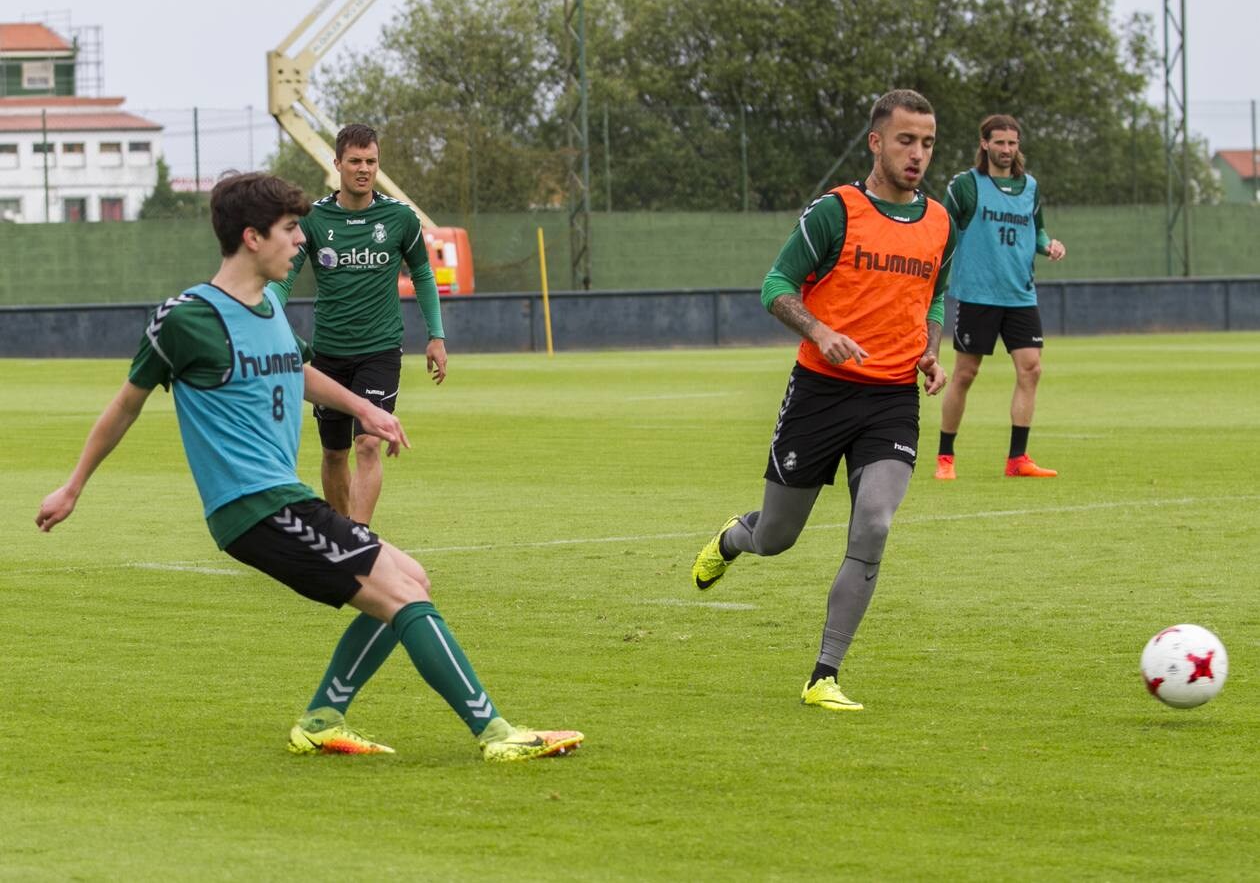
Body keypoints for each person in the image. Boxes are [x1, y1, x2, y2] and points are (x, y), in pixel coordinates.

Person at [36, 172, 582, 762]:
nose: (301, 242)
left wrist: (364, 410)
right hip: (253, 508)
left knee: (411, 578)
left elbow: (295, 370)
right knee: (401, 594)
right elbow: (126, 403)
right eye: (290, 230)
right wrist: (73, 486)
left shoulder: (269, 306)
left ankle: (323, 718)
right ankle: (497, 734)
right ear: (252, 237)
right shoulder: (186, 319)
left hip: (286, 499)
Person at [690, 89, 956, 712]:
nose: (917, 155)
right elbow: (775, 285)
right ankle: (734, 539)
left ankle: (823, 675)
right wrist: (820, 331)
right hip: (820, 393)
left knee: (875, 523)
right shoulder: (835, 212)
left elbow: (935, 297)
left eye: (927, 143)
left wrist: (930, 350)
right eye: (905, 141)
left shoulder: (941, 221)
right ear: (876, 142)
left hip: (891, 398)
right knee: (777, 537)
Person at [269, 123, 447, 526]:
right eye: (355, 161)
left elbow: (422, 274)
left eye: (371, 161)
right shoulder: (313, 220)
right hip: (328, 354)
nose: (364, 169)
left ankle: (359, 539)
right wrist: (269, 318)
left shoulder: (400, 218)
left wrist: (436, 335)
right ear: (338, 164)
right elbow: (282, 280)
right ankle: (340, 532)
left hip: (380, 350)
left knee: (368, 443)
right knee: (334, 453)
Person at [934, 114, 1067, 480]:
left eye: (1012, 143)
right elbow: (941, 228)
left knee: (1032, 368)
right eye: (1000, 142)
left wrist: (1049, 245)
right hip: (977, 295)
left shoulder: (1030, 187)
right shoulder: (966, 186)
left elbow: (1036, 232)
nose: (1007, 149)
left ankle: (1017, 459)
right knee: (965, 373)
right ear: (985, 144)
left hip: (1021, 295)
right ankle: (945, 457)